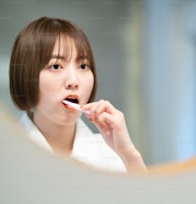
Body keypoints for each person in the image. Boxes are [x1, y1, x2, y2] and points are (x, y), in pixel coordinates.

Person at [9, 17, 146, 173]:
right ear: (25, 76)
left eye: (83, 66)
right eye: (56, 66)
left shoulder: (111, 154)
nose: (74, 81)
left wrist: (129, 154)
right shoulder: (4, 156)